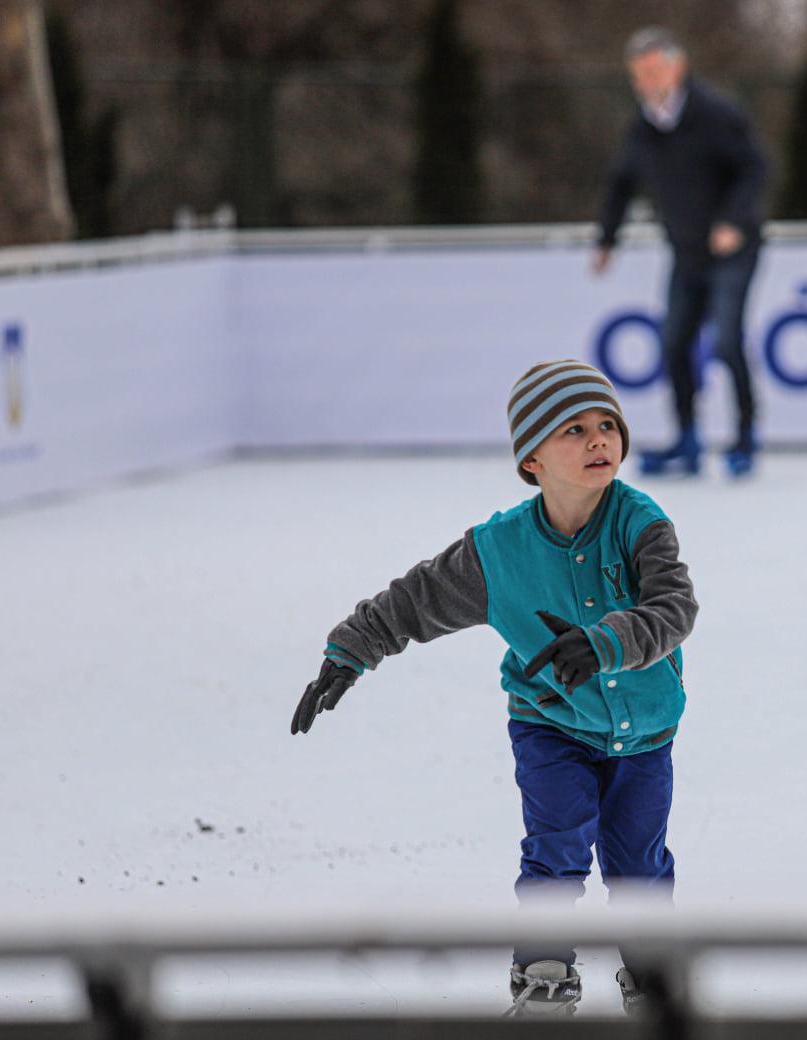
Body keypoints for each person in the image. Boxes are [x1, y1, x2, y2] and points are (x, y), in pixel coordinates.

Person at [290, 360, 697, 1016]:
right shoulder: (497, 552)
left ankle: (653, 975)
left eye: (607, 426)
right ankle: (544, 975)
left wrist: (605, 643)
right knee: (557, 845)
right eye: (573, 430)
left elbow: (674, 609)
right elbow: (413, 600)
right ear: (531, 460)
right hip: (551, 725)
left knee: (639, 866)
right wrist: (350, 651)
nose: (598, 440)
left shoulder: (641, 523)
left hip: (646, 731)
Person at [593, 26, 768, 477]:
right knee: (673, 345)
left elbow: (754, 169)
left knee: (727, 341)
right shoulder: (644, 127)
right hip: (685, 252)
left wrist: (732, 220)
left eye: (653, 71)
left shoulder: (716, 113)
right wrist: (608, 238)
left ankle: (745, 437)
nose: (646, 82)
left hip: (733, 250)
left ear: (678, 68)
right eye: (638, 75)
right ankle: (687, 439)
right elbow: (621, 183)